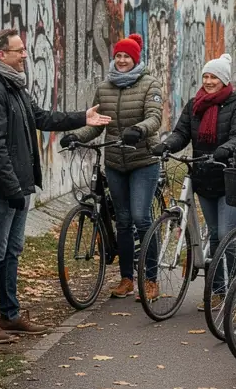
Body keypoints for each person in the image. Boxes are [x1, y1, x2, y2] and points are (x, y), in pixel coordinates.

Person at [0, 28, 111, 342]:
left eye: (24, 50)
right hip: (0, 188)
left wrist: (82, 118)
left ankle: (10, 315)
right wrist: (12, 189)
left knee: (11, 252)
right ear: (1, 54)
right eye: (19, 50)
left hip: (17, 186)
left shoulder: (13, 85)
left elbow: (41, 117)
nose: (25, 55)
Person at [61, 33, 163, 299]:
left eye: (126, 56)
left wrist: (139, 130)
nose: (121, 60)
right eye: (118, 55)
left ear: (135, 59)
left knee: (142, 219)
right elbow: (97, 124)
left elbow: (154, 119)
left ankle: (151, 279)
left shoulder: (150, 84)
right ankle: (127, 279)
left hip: (143, 160)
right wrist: (76, 136)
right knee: (124, 222)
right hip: (116, 162)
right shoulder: (105, 87)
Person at [152, 53, 236, 305]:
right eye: (205, 76)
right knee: (215, 235)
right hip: (204, 178)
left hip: (229, 177)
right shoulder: (194, 104)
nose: (208, 81)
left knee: (228, 236)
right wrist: (166, 146)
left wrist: (225, 149)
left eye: (213, 77)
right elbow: (181, 133)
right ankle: (217, 293)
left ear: (224, 80)